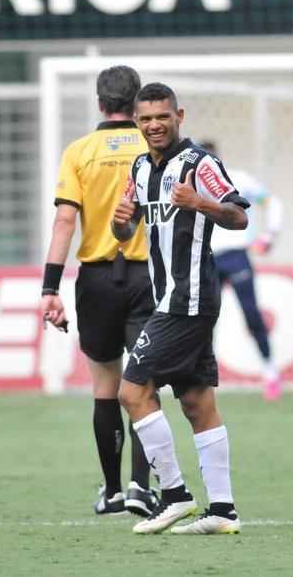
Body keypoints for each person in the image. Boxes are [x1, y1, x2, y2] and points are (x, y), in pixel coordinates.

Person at [111, 82, 250, 536]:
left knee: (131, 393)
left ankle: (174, 496)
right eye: (145, 118)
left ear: (179, 116)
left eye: (162, 117)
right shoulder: (138, 167)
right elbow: (129, 230)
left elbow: (238, 215)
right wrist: (120, 223)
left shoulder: (199, 164)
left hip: (186, 300)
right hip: (171, 297)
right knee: (195, 402)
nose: (154, 125)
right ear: (136, 121)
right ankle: (223, 512)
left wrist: (201, 204)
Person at [41, 65, 158, 518]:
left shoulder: (80, 152)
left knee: (105, 386)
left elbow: (65, 221)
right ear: (136, 104)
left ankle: (111, 491)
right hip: (146, 275)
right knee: (143, 386)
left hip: (95, 280)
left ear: (99, 103)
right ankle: (139, 488)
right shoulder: (152, 146)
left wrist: (51, 286)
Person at [198, 139, 283, 401]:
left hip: (236, 255)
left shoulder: (238, 180)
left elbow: (271, 201)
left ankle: (270, 372)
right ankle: (203, 378)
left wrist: (270, 235)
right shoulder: (190, 183)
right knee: (203, 319)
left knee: (251, 314)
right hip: (206, 257)